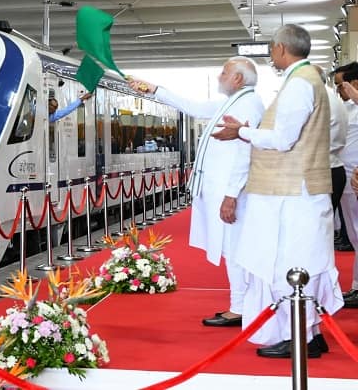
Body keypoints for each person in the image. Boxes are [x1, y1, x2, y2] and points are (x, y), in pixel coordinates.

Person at [212, 24, 343, 358]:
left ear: (282, 48)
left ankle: (299, 335)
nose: (272, 55)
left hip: (293, 192)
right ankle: (309, 332)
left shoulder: (299, 84)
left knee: (288, 263)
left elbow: (282, 139)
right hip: (300, 190)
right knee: (304, 261)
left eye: (272, 49)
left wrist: (242, 133)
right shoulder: (308, 80)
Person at [129, 56, 264, 327]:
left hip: (232, 191)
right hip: (224, 189)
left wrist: (231, 195)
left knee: (235, 250)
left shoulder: (247, 104)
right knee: (231, 249)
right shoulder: (234, 101)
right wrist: (155, 89)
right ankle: (242, 305)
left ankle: (242, 308)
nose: (219, 77)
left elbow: (244, 153)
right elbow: (194, 107)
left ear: (238, 78)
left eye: (224, 72)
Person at [331, 65, 358, 307]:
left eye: (341, 85)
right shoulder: (346, 108)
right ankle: (357, 285)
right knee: (355, 234)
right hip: (346, 176)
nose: (340, 90)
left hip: (355, 175)